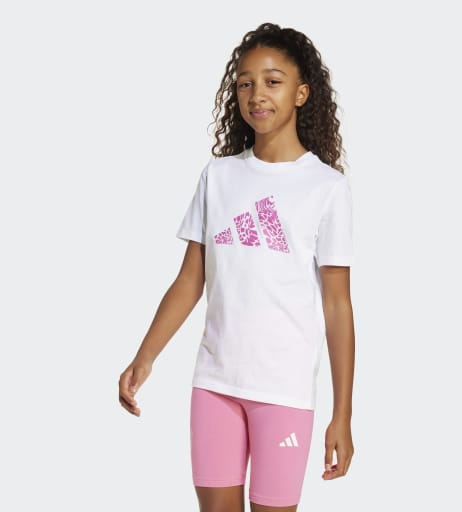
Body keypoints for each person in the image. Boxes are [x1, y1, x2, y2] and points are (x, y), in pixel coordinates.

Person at [119, 22, 355, 512]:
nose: (256, 94)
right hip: (215, 385)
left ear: (301, 93)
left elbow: (337, 305)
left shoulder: (326, 188)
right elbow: (190, 280)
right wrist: (145, 356)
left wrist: (343, 413)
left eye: (273, 81)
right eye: (245, 83)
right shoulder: (219, 176)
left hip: (284, 392)